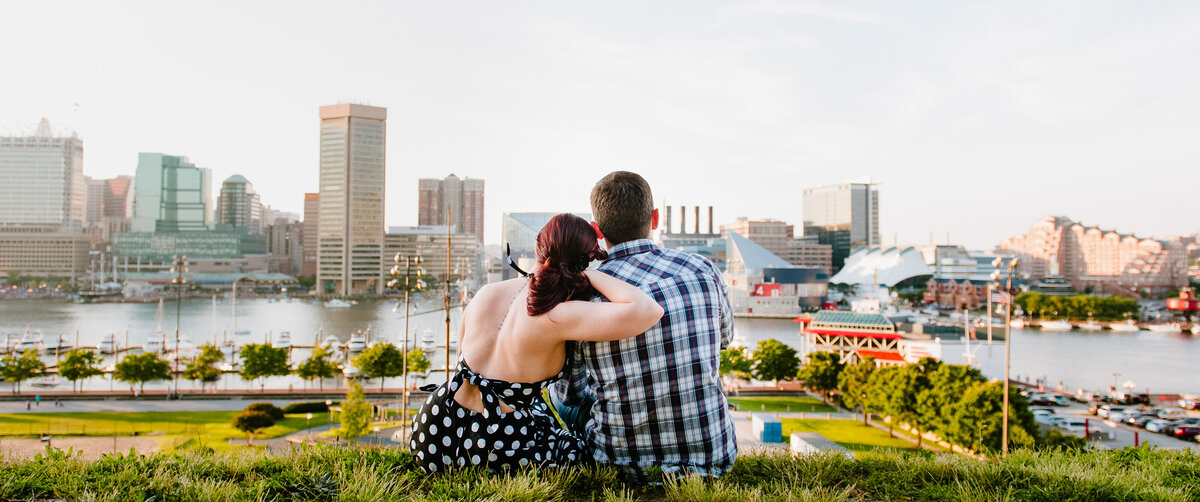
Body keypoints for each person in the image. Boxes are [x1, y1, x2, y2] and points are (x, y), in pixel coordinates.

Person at [409, 213, 663, 473]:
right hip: (496, 442)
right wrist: (590, 275)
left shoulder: (484, 293)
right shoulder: (557, 315)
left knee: (538, 411)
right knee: (577, 451)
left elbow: (460, 361)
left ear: (536, 248)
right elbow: (647, 310)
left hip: (434, 430)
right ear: (581, 263)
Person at [553, 171, 737, 482]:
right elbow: (724, 339)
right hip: (713, 458)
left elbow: (571, 392)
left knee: (559, 397)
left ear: (597, 230)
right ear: (655, 218)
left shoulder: (585, 295)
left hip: (619, 466)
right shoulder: (704, 270)